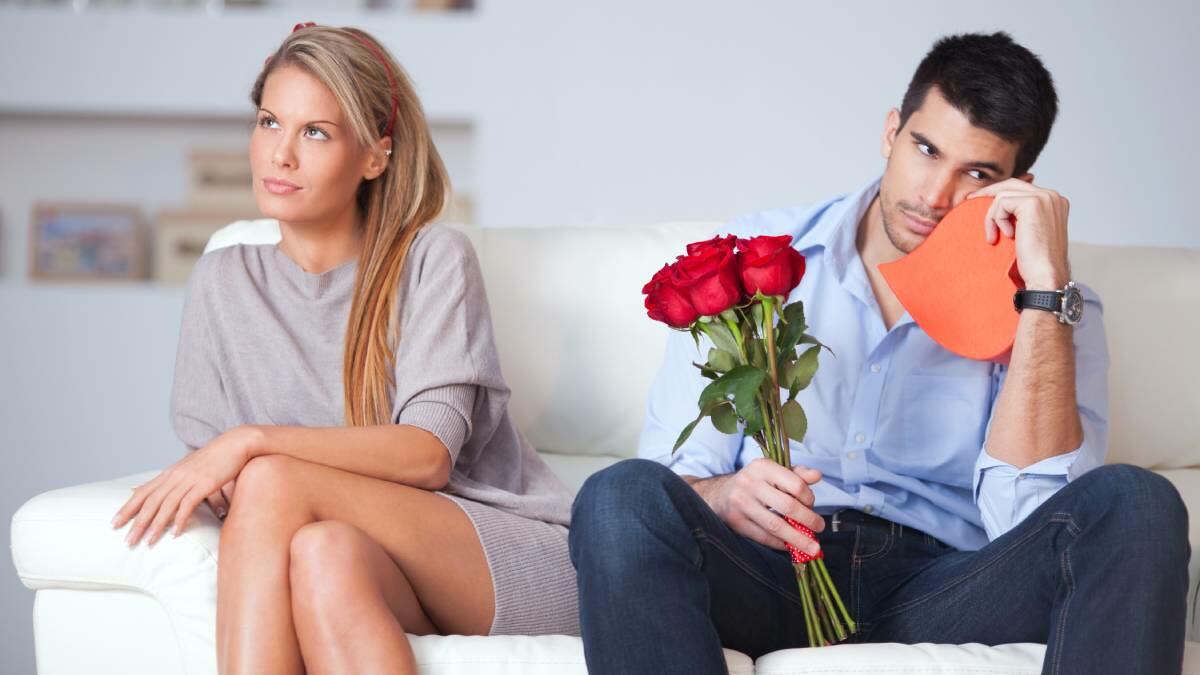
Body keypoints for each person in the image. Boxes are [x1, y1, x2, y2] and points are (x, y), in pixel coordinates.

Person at [569, 31, 1189, 675]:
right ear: (892, 131)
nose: (935, 196)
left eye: (977, 174)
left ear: (1018, 188)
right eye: (927, 150)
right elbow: (676, 475)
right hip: (772, 572)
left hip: (946, 589)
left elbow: (1029, 521)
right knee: (619, 495)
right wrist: (725, 496)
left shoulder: (1055, 306)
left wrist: (1041, 294)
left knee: (1138, 501)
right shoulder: (756, 256)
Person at [109, 23, 579, 675]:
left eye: (315, 132)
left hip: (504, 555)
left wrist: (251, 442)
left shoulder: (432, 259)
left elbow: (427, 455)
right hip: (369, 559)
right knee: (321, 553)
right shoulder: (222, 281)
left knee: (271, 478)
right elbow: (220, 480)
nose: (280, 154)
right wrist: (235, 462)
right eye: (270, 122)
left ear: (374, 158)